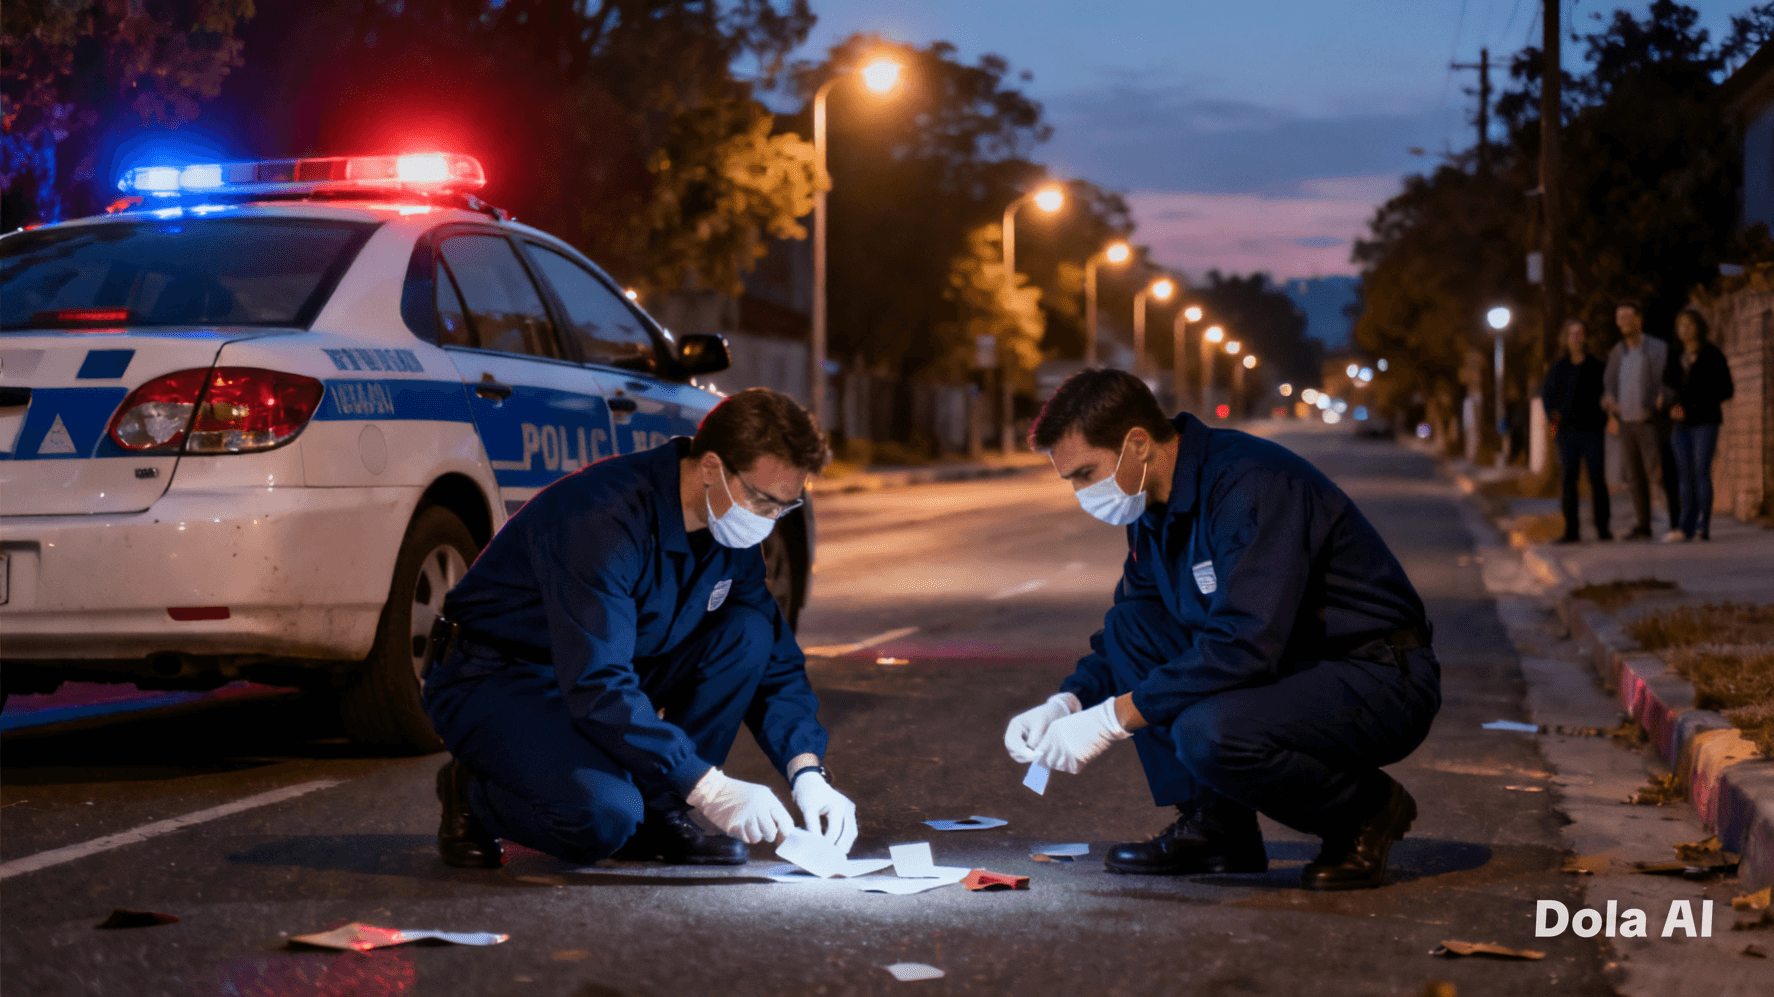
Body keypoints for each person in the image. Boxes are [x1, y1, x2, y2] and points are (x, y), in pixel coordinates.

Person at [1004, 369, 1440, 891]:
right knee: (1131, 625)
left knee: (1209, 733)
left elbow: (1246, 642)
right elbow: (1132, 624)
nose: (1080, 492)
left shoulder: (1250, 484)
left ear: (1137, 444)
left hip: (1375, 673)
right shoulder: (1151, 508)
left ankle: (1363, 811)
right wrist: (1069, 702)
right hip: (1290, 662)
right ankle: (1219, 828)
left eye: (1084, 473)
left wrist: (1112, 719)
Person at [421, 388, 857, 869]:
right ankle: (470, 793)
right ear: (711, 467)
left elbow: (773, 659)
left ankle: (659, 813)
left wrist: (806, 770)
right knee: (601, 818)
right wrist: (708, 787)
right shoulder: (602, 518)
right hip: (497, 677)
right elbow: (597, 683)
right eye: (762, 500)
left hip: (601, 671)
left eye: (784, 508)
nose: (769, 520)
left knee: (747, 630)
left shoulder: (727, 530)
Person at [1602, 301, 1672, 540]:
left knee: (1659, 472)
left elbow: (1668, 380)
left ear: (1639, 320)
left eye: (1627, 317)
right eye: (1619, 318)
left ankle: (1680, 520)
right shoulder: (1617, 352)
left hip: (1648, 421)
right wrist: (1609, 404)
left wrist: (1661, 399)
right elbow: (1608, 386)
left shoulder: (1656, 348)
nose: (1623, 322)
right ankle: (1643, 526)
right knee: (1634, 477)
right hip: (1625, 423)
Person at [1662, 308, 1734, 541]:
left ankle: (1703, 526)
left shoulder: (1712, 355)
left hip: (1705, 421)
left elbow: (1726, 389)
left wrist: (1694, 404)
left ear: (1699, 327)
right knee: (1684, 475)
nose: (1684, 329)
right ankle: (1685, 527)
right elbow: (1667, 387)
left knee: (1701, 471)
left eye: (1689, 324)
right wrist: (1671, 405)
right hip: (1680, 424)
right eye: (1680, 325)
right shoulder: (1674, 355)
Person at [1540, 319, 1611, 543]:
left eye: (1580, 333)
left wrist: (1605, 415)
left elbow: (1607, 393)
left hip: (1592, 431)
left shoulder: (1597, 366)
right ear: (1566, 339)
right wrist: (1554, 416)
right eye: (1572, 334)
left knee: (1597, 479)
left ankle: (1603, 529)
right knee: (1569, 481)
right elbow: (1548, 396)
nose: (1576, 338)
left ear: (1585, 337)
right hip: (1567, 433)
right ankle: (1571, 531)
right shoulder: (1558, 368)